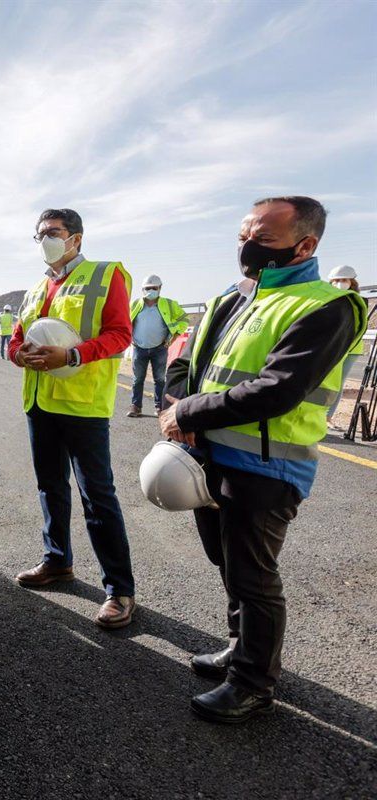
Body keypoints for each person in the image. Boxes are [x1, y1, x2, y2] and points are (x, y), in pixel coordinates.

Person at [163, 196, 366, 724]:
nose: (247, 246)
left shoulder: (326, 307)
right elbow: (187, 361)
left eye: (263, 238)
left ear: (306, 245)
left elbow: (280, 389)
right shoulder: (230, 300)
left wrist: (188, 410)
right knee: (225, 562)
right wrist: (178, 403)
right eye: (243, 235)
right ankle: (239, 646)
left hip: (267, 468)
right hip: (208, 456)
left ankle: (253, 683)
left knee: (254, 576)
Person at [8, 208, 137, 629]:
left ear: (76, 238)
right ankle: (57, 561)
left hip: (82, 405)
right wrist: (19, 355)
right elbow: (14, 341)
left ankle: (119, 590)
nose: (45, 239)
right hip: (40, 403)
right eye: (39, 234)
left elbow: (120, 334)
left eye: (53, 233)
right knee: (50, 487)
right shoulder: (34, 289)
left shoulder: (105, 275)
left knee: (96, 495)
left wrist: (73, 354)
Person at [128, 274, 189, 417]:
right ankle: (135, 406)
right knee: (137, 379)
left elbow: (184, 320)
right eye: (148, 288)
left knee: (160, 379)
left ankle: (160, 407)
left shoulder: (169, 304)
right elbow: (125, 322)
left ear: (160, 288)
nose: (151, 291)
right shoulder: (135, 304)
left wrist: (172, 338)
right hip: (139, 348)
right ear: (142, 289)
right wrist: (129, 338)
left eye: (154, 288)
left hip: (160, 348)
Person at [325, 264, 367, 423]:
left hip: (351, 348)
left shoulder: (359, 301)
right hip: (334, 346)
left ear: (352, 282)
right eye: (336, 280)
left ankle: (328, 416)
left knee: (338, 382)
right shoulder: (329, 299)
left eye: (343, 280)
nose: (339, 283)